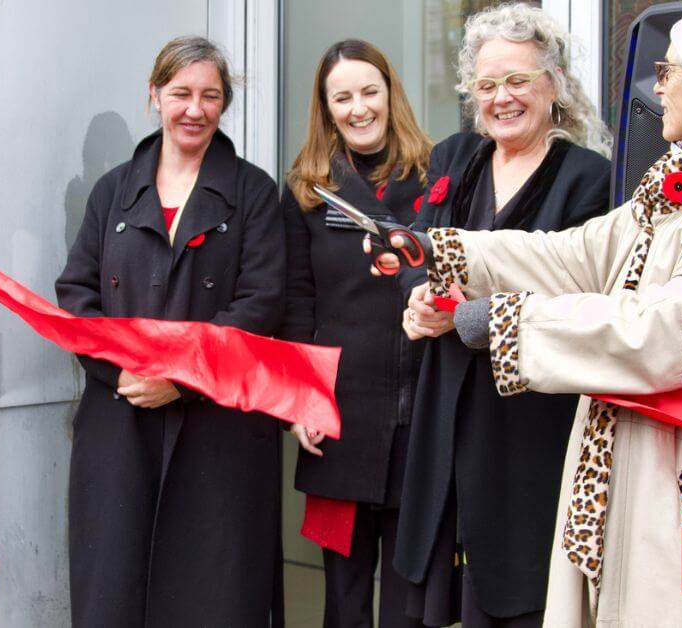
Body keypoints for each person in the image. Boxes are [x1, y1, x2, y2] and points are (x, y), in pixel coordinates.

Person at [374, 0, 682, 624]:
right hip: (653, 469)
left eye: (671, 71)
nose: (656, 86)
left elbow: (663, 334)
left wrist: (504, 323)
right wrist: (445, 247)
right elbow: (575, 256)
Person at [374, 4, 613, 627]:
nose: (501, 99)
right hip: (444, 409)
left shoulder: (592, 180)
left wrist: (469, 315)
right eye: (486, 85)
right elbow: (421, 255)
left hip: (527, 420)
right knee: (435, 591)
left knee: (514, 589)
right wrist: (419, 303)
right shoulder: (454, 158)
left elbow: (581, 297)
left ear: (553, 85)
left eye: (517, 81)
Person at [55, 36, 286, 626]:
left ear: (224, 103)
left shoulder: (253, 191)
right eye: (181, 92)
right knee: (115, 590)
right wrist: (123, 371)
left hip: (218, 430)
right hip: (118, 422)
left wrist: (181, 377)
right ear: (154, 95)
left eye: (210, 95)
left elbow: (260, 304)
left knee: (209, 593)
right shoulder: (112, 191)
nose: (195, 108)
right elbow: (76, 296)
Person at [280, 39, 432, 628]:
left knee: (408, 597)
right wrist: (299, 401)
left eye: (370, 91)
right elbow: (295, 306)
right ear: (326, 107)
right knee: (342, 599)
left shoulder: (435, 178)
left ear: (391, 95)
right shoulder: (304, 191)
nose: (358, 107)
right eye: (342, 97)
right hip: (336, 421)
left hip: (418, 416)